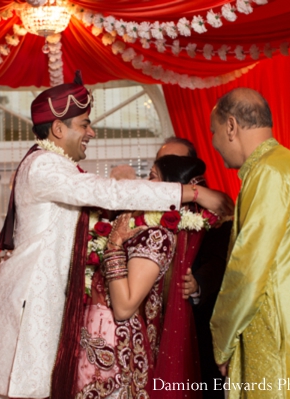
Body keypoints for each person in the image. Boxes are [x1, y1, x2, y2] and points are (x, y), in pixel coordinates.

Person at [0, 71, 234, 399]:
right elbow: (105, 192)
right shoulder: (43, 165)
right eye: (84, 124)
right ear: (58, 128)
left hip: (46, 305)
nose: (91, 131)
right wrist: (193, 195)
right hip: (33, 308)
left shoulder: (58, 166)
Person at [209, 88, 290, 396]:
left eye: (214, 132)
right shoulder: (288, 166)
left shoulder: (268, 173)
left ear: (231, 126)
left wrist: (221, 339)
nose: (214, 143)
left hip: (279, 341)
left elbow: (247, 271)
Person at [74, 155, 210, 398]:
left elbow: (125, 306)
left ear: (172, 189)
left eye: (153, 177)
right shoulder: (141, 229)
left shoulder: (155, 236)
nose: (145, 185)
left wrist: (114, 245)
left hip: (118, 350)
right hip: (101, 342)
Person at [156, 137, 230, 399]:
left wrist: (197, 284)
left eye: (177, 163)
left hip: (200, 328)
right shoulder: (148, 211)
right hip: (155, 329)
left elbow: (218, 262)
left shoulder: (215, 211)